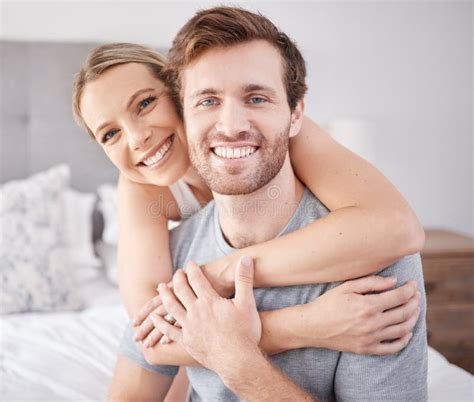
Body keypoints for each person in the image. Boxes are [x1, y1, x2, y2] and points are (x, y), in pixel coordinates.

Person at [72, 8, 425, 401]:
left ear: (176, 97)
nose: (137, 138)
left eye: (144, 104)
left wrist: (219, 275)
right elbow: (155, 340)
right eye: (110, 134)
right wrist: (304, 325)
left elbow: (395, 226)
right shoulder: (143, 194)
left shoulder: (289, 133)